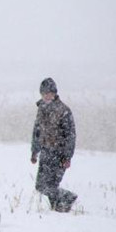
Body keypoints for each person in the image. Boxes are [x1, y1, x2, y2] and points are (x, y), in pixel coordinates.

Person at [31, 77, 77, 212]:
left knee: (51, 185)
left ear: (55, 93)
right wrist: (34, 151)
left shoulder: (64, 110)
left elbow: (70, 136)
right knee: (41, 186)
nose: (46, 96)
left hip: (59, 154)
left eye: (49, 93)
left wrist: (67, 157)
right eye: (44, 93)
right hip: (45, 152)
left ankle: (66, 199)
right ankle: (60, 207)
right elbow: (37, 131)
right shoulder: (41, 108)